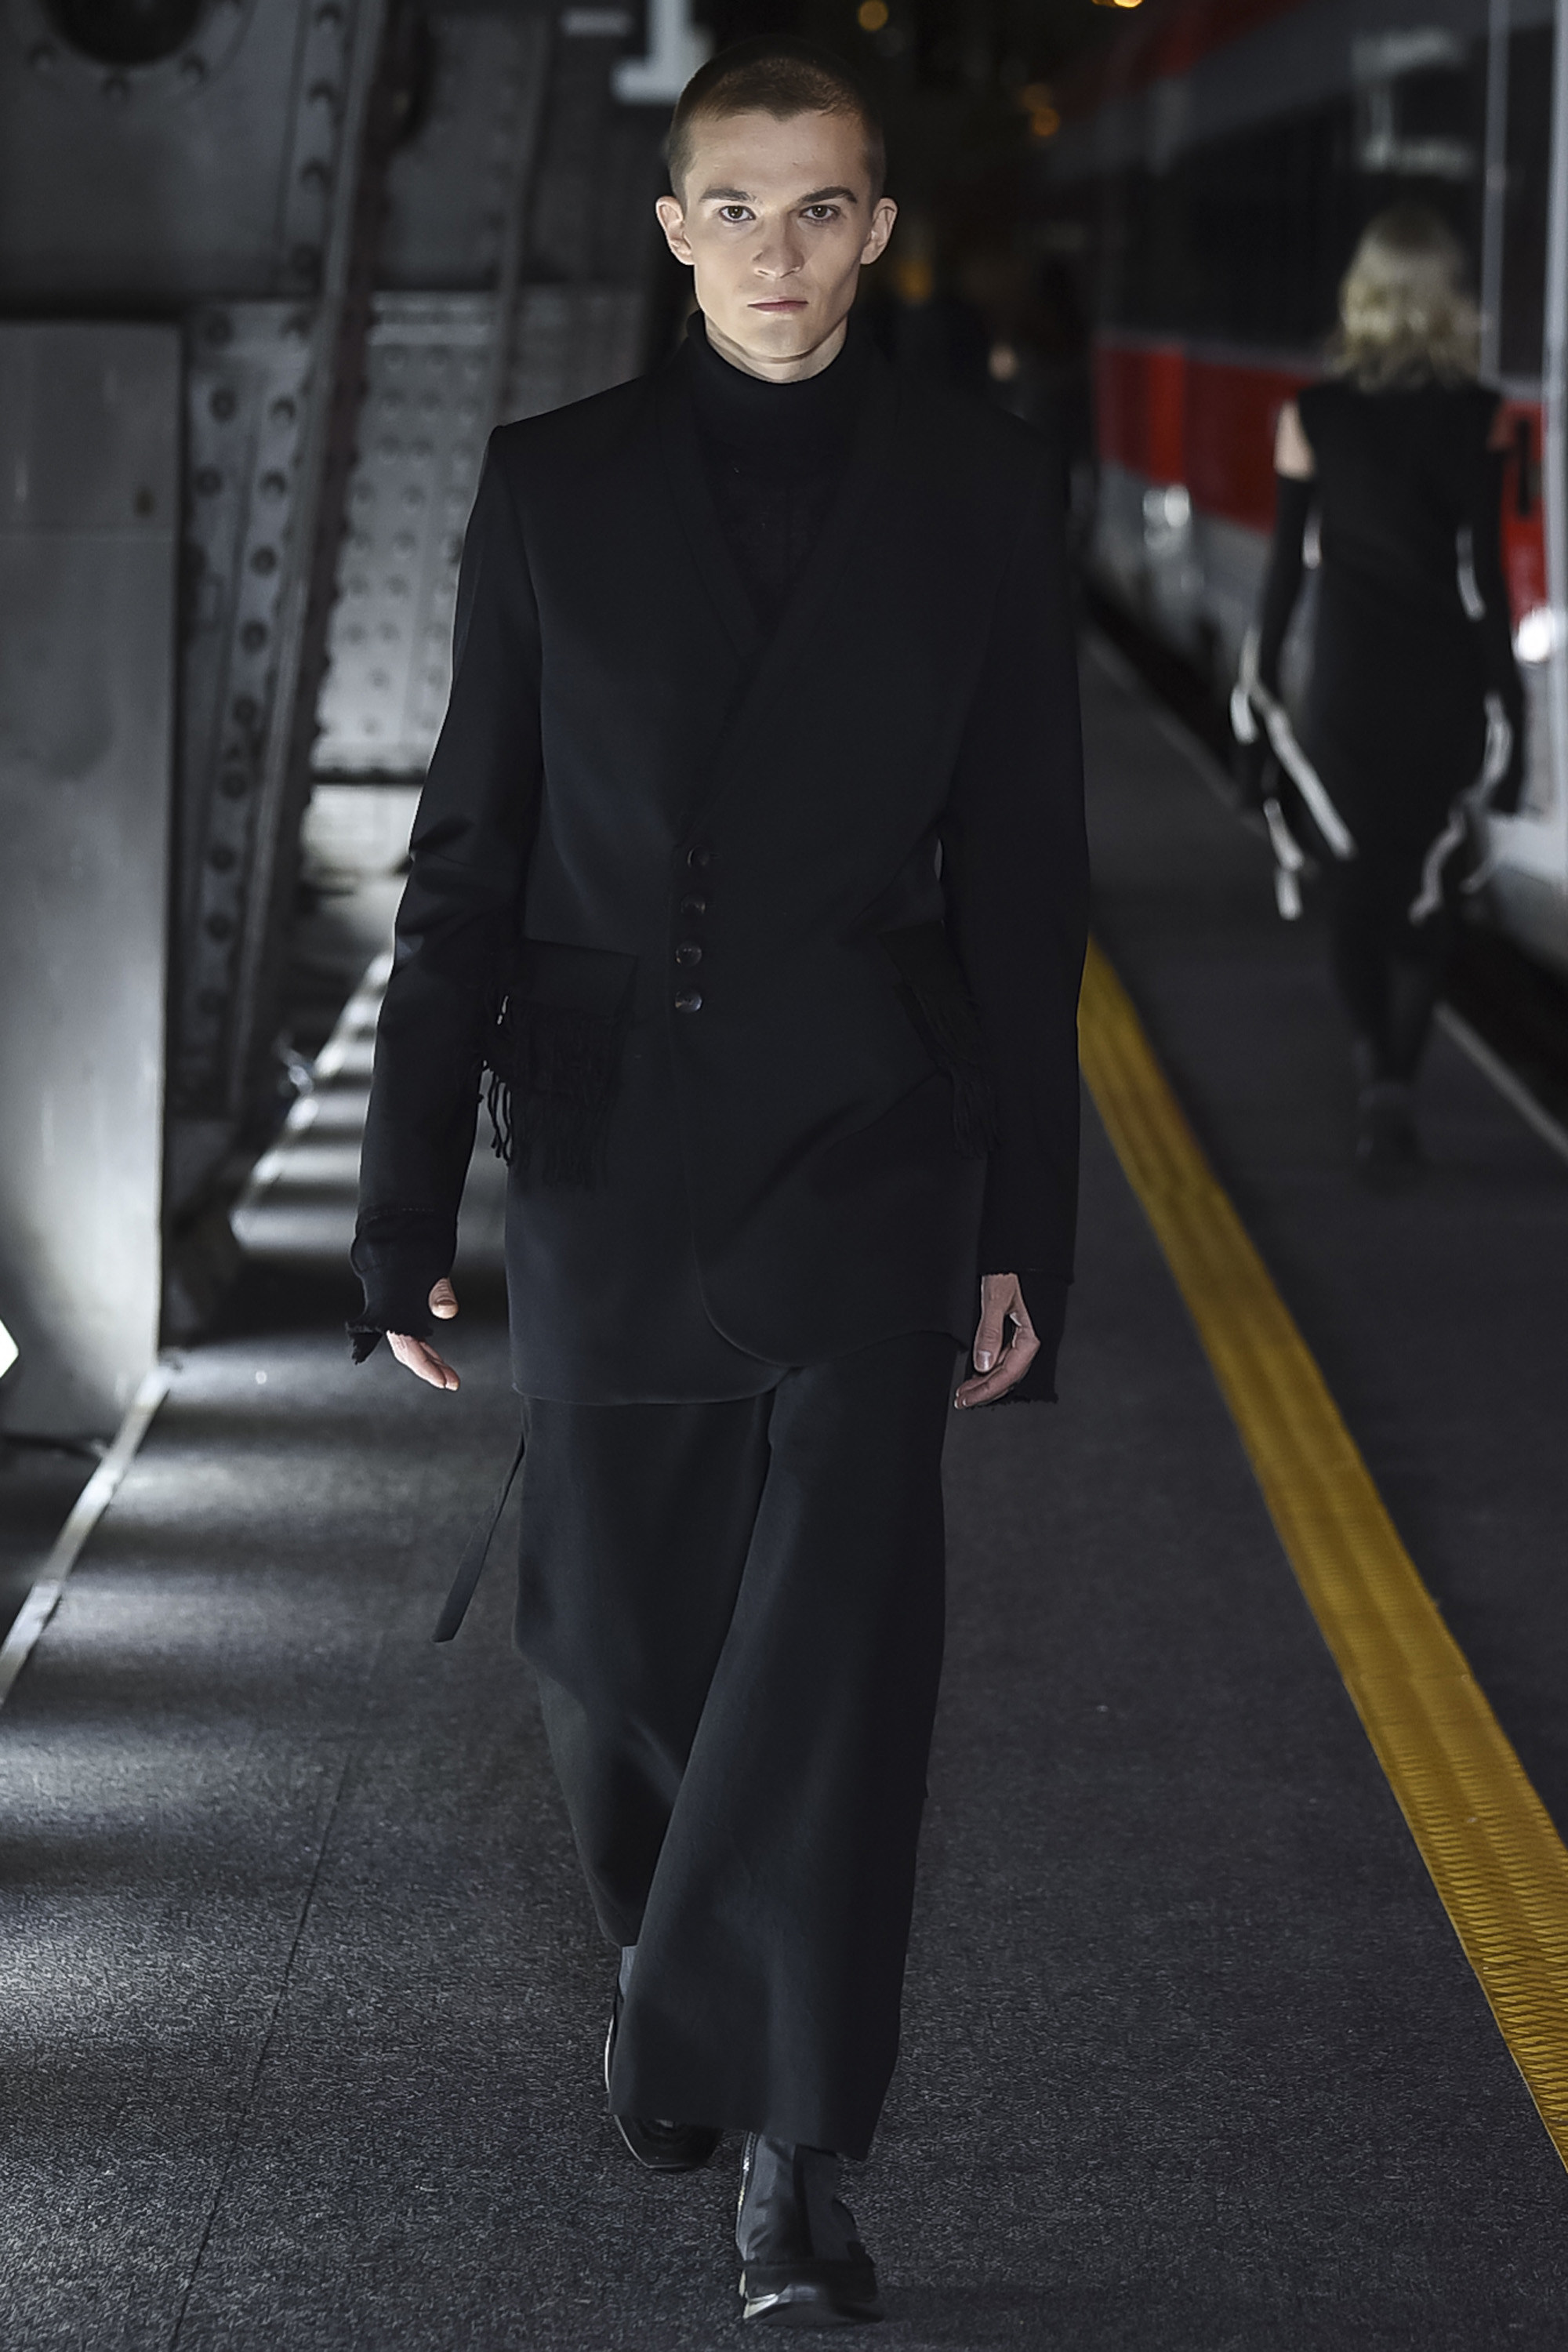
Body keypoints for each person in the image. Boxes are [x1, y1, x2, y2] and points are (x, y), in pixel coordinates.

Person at [350, 37, 1086, 2328]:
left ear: (877, 230)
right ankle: (675, 1975)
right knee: (609, 1652)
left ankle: (794, 2156)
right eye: (737, 208)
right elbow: (464, 861)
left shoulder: (979, 491)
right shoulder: (550, 488)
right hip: (609, 1149)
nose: (779, 251)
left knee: (838, 1658)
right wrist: (399, 1200)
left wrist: (1024, 1227)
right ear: (675, 230)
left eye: (821, 207)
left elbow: (1025, 880)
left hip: (871, 1148)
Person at [1233, 203, 1523, 1175]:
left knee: (1354, 894)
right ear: (1446, 302)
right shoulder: (1482, 416)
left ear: (1362, 296)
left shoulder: (1309, 416)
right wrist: (1514, 727)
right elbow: (1485, 583)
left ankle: (1375, 1076)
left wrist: (1252, 731)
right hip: (1443, 685)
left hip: (1348, 683)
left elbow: (1282, 585)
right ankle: (1398, 1073)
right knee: (1428, 894)